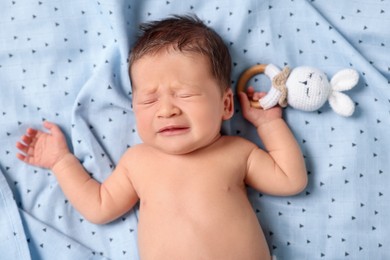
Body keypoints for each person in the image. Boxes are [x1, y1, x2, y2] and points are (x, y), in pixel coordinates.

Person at [16, 15, 307, 260]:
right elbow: (99, 205)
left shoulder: (237, 152)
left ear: (226, 105)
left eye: (186, 94)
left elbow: (291, 180)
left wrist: (268, 125)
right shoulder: (138, 162)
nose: (167, 110)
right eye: (149, 100)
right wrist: (60, 161)